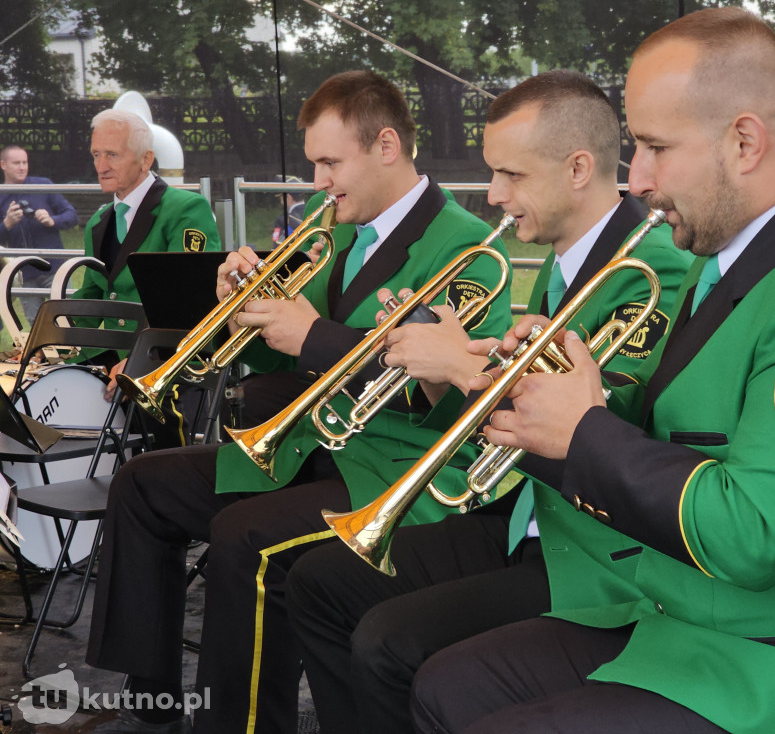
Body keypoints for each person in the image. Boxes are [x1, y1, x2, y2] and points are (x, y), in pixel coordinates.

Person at [410, 7, 775, 734]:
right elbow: (667, 432)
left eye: (657, 147)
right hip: (691, 620)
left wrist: (585, 430)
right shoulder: (729, 257)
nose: (637, 179)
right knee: (445, 687)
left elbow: (753, 533)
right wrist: (547, 385)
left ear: (745, 142)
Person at [82, 70, 511, 734]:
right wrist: (246, 316)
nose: (317, 182)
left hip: (394, 466)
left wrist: (312, 334)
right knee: (141, 485)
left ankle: (242, 724)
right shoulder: (339, 229)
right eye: (315, 163)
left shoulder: (466, 246)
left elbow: (440, 387)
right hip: (310, 444)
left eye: (330, 163)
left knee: (244, 539)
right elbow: (285, 361)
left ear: (386, 147)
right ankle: (152, 701)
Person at [285, 70, 693, 734]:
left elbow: (607, 433)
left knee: (387, 643)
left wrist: (464, 369)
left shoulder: (654, 271)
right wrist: (439, 372)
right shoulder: (566, 261)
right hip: (524, 517)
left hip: (594, 554)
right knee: (319, 583)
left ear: (578, 170)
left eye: (511, 175)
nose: (494, 194)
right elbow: (499, 423)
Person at [77, 108, 221, 396]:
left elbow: (189, 299)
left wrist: (140, 360)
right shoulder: (98, 222)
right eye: (96, 154)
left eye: (112, 155)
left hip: (171, 370)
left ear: (146, 160)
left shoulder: (185, 209)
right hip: (113, 369)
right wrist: (47, 347)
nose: (101, 166)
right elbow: (91, 298)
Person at [0, 144, 79, 322]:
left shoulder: (43, 185)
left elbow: (72, 215)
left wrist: (53, 220)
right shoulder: (0, 194)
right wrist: (6, 224)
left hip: (54, 268)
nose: (22, 167)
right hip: (23, 273)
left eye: (25, 162)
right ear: (3, 165)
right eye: (16, 163)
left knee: (66, 320)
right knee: (36, 326)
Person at [270, 175, 305, 247]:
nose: (281, 201)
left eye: (281, 198)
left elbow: (278, 246)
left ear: (287, 197)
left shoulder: (283, 220)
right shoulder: (314, 212)